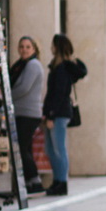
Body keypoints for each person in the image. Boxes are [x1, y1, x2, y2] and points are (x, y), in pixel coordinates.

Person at [41, 34, 87, 196]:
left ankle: (62, 182)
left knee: (58, 148)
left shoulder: (62, 69)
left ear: (57, 47)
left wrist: (51, 115)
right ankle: (58, 181)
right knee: (50, 149)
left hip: (59, 113)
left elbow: (59, 93)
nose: (51, 47)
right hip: (55, 112)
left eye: (53, 45)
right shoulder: (58, 66)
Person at [9, 36, 45, 194]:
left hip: (28, 114)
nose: (24, 49)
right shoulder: (21, 65)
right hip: (21, 112)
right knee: (25, 148)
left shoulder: (33, 65)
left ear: (34, 49)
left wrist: (7, 96)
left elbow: (24, 88)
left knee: (21, 149)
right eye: (22, 46)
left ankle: (35, 182)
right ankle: (29, 183)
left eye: (28, 47)